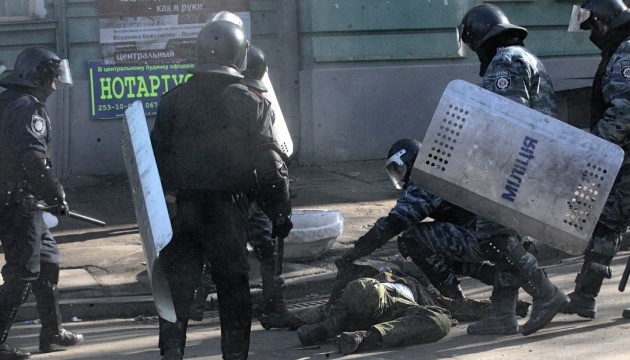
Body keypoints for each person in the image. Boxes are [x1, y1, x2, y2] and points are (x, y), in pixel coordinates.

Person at [150, 18, 293, 360]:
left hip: (181, 211)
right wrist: (279, 212)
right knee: (233, 289)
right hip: (228, 212)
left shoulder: (173, 100)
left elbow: (152, 159)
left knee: (178, 287)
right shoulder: (251, 101)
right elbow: (272, 168)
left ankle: (172, 349)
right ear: (238, 54)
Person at [456, 4, 568, 336]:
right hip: (534, 162)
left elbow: (506, 118)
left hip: (518, 164)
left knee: (492, 234)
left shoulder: (506, 61)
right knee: (509, 234)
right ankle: (502, 313)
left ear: (479, 36)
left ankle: (546, 295)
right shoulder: (525, 57)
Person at [0, 47, 84, 359]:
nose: (54, 86)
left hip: (20, 198)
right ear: (39, 78)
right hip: (17, 200)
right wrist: (56, 195)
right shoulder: (28, 109)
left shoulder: (7, 101)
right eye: (51, 79)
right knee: (22, 272)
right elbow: (32, 159)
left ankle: (52, 332)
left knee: (48, 261)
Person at [335, 138, 493, 300]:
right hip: (492, 235)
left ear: (410, 161)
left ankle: (454, 297)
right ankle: (494, 276)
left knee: (411, 239)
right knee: (435, 240)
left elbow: (396, 222)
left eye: (399, 169)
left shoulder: (426, 181)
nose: (399, 175)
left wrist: (355, 252)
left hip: (480, 238)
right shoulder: (442, 170)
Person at [565, 0, 630, 319]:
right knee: (608, 224)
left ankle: (584, 296)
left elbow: (624, 110)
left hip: (625, 157)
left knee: (606, 223)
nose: (591, 33)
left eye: (592, 26)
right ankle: (584, 296)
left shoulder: (627, 51)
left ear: (604, 22)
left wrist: (596, 147)